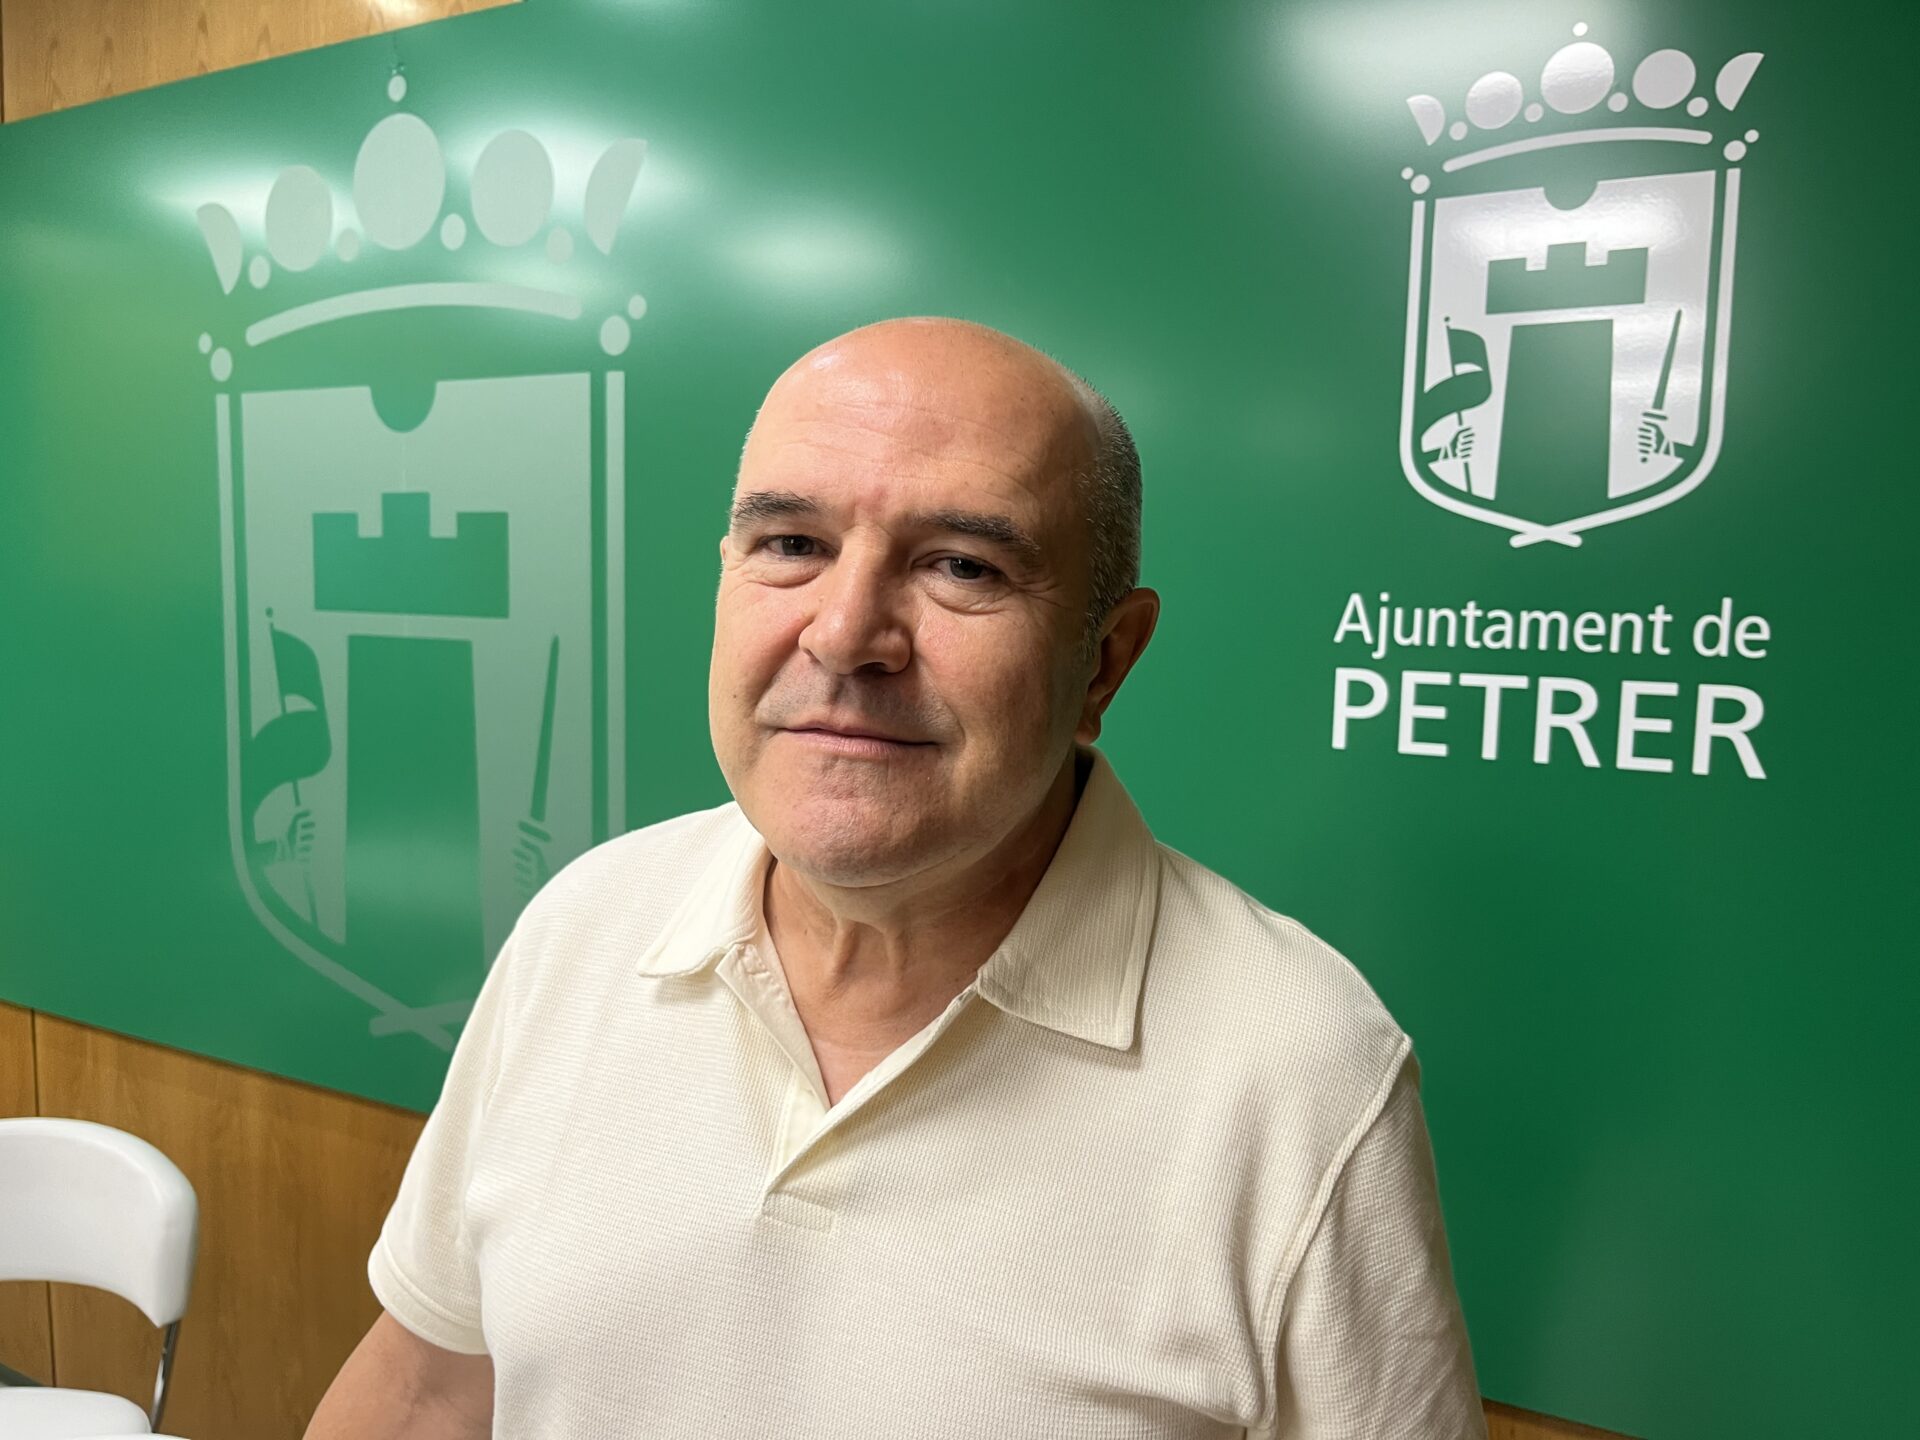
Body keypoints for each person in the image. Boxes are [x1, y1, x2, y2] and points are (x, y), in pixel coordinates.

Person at [305, 317, 1486, 1439]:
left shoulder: (1299, 1075)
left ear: (1104, 663)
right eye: (792, 546)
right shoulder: (586, 923)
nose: (844, 632)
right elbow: (427, 1397)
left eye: (962, 566)